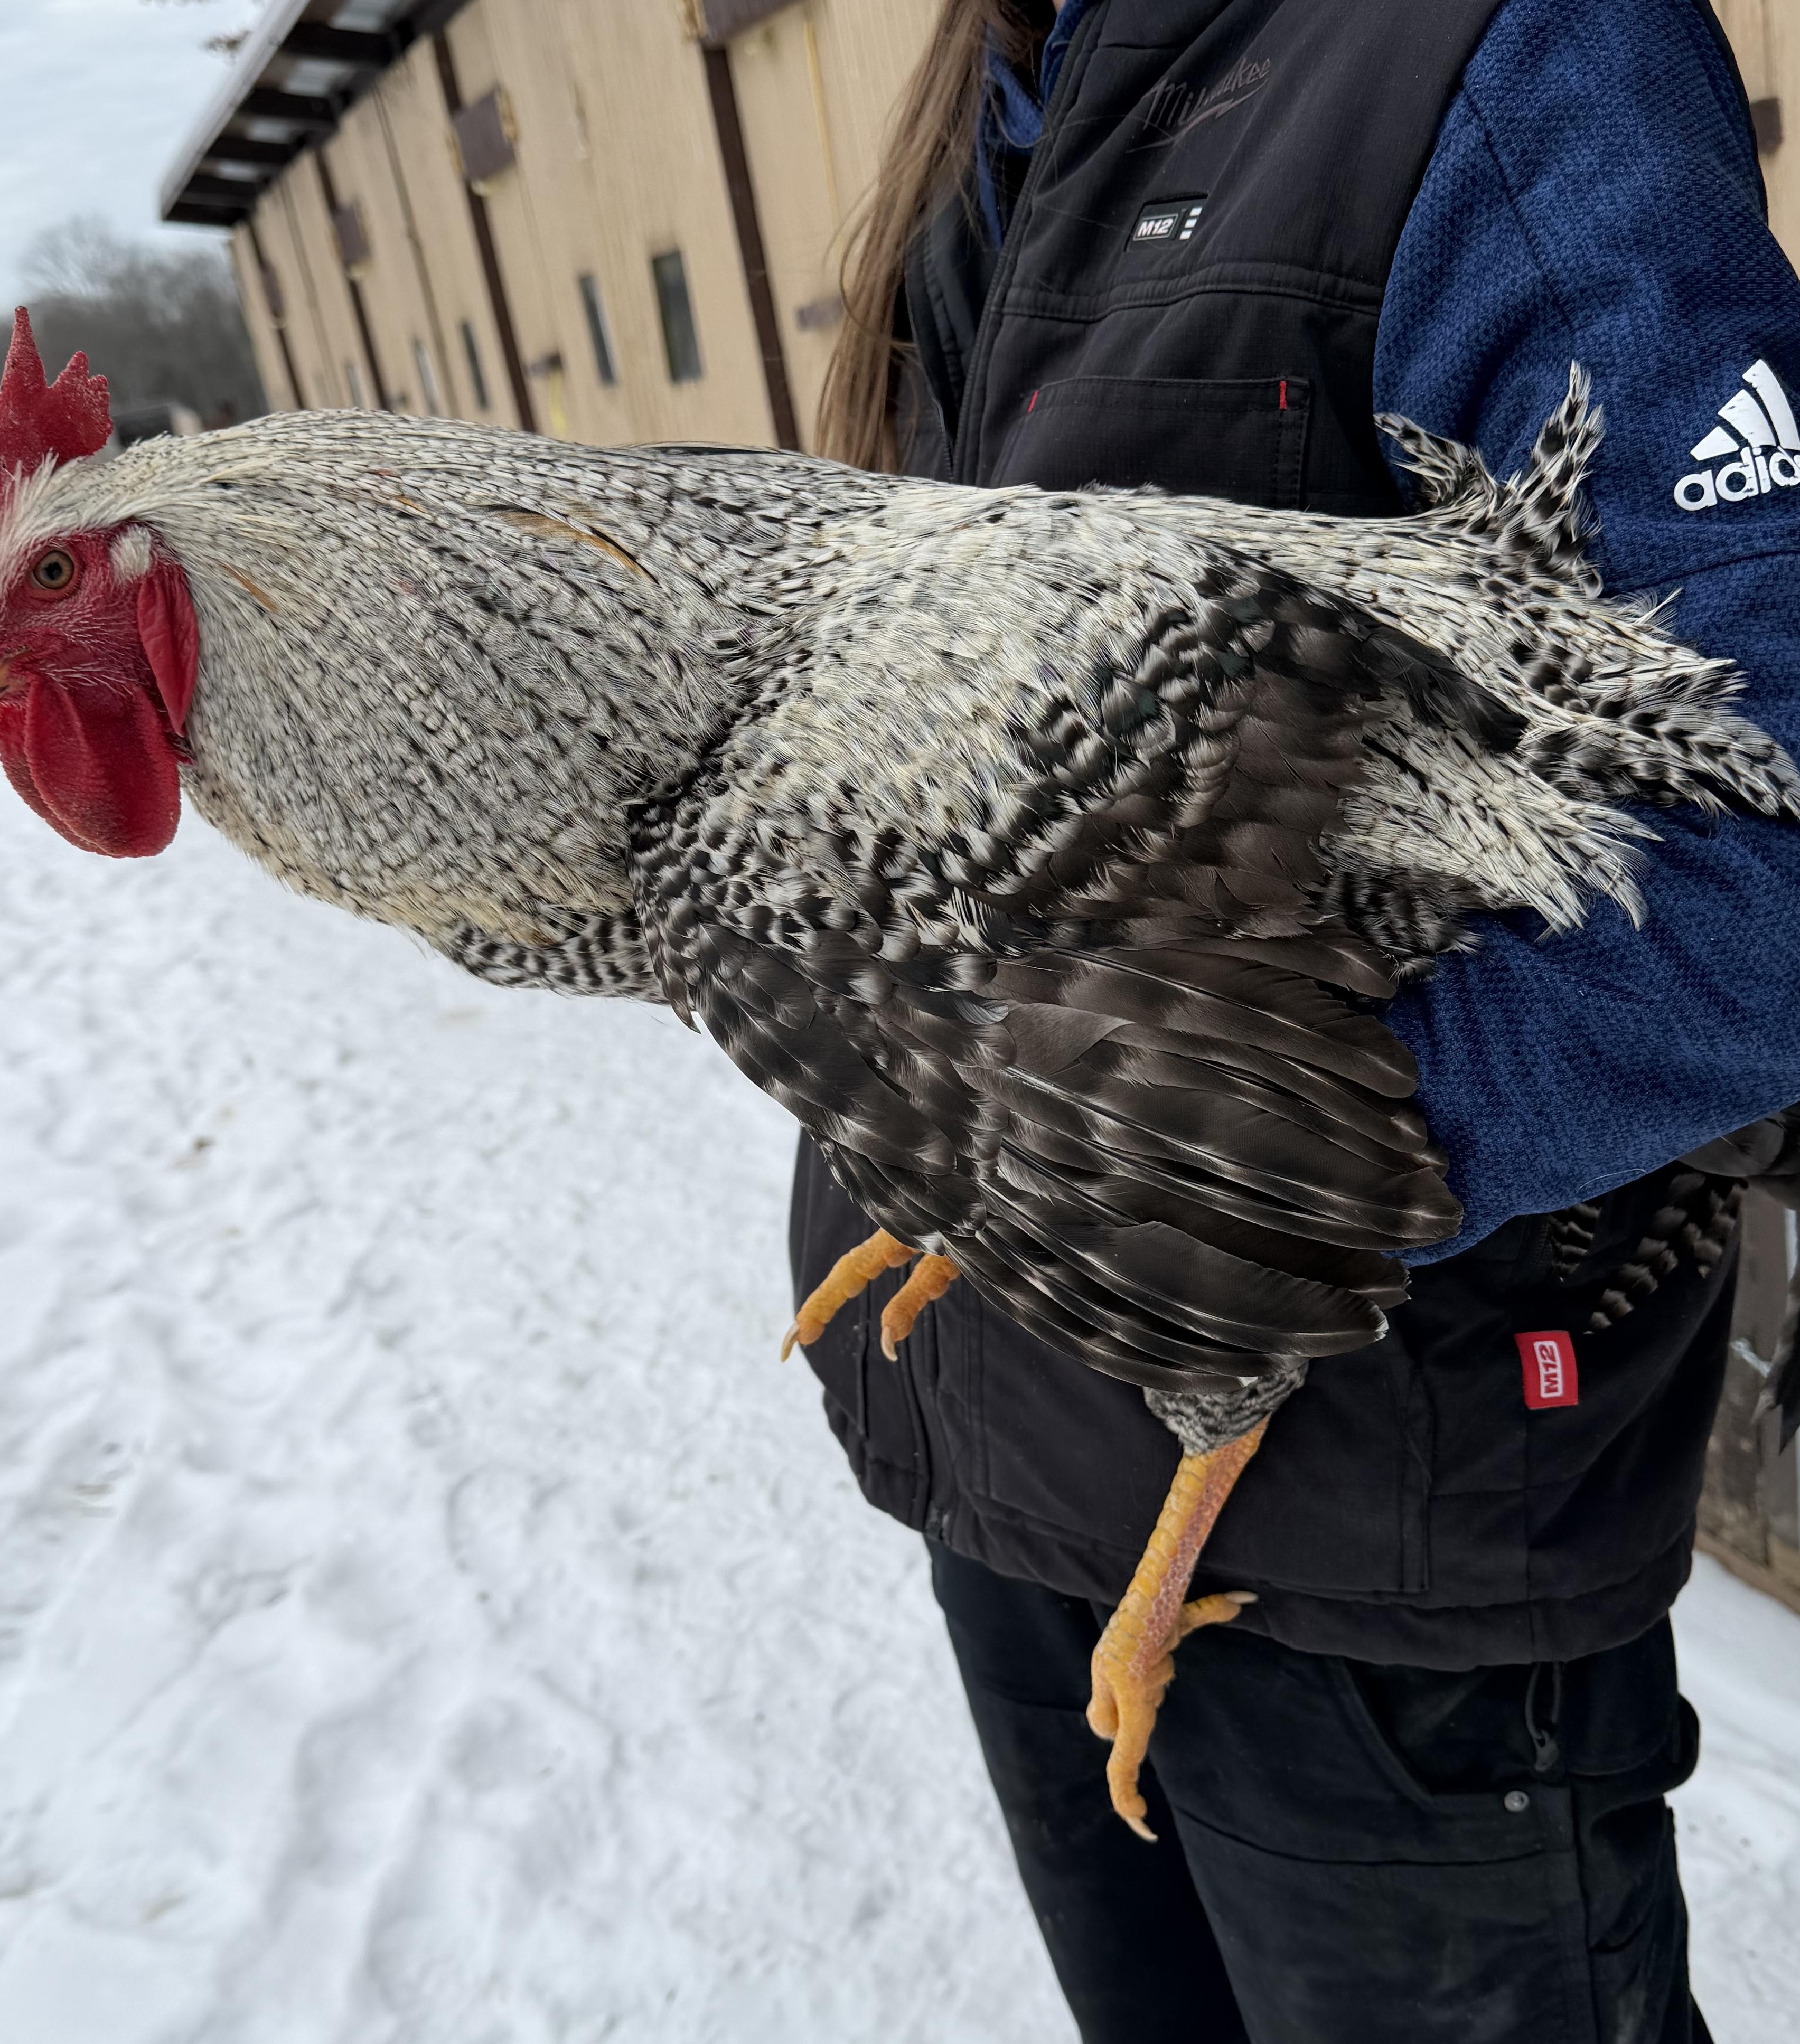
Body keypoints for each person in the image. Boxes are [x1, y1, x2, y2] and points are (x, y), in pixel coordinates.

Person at [796, 2, 1800, 2038]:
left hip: (1374, 1531)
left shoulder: (1512, 52)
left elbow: (1770, 857)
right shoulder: (1013, 95)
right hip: (1016, 1451)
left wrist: (1201, 1191)